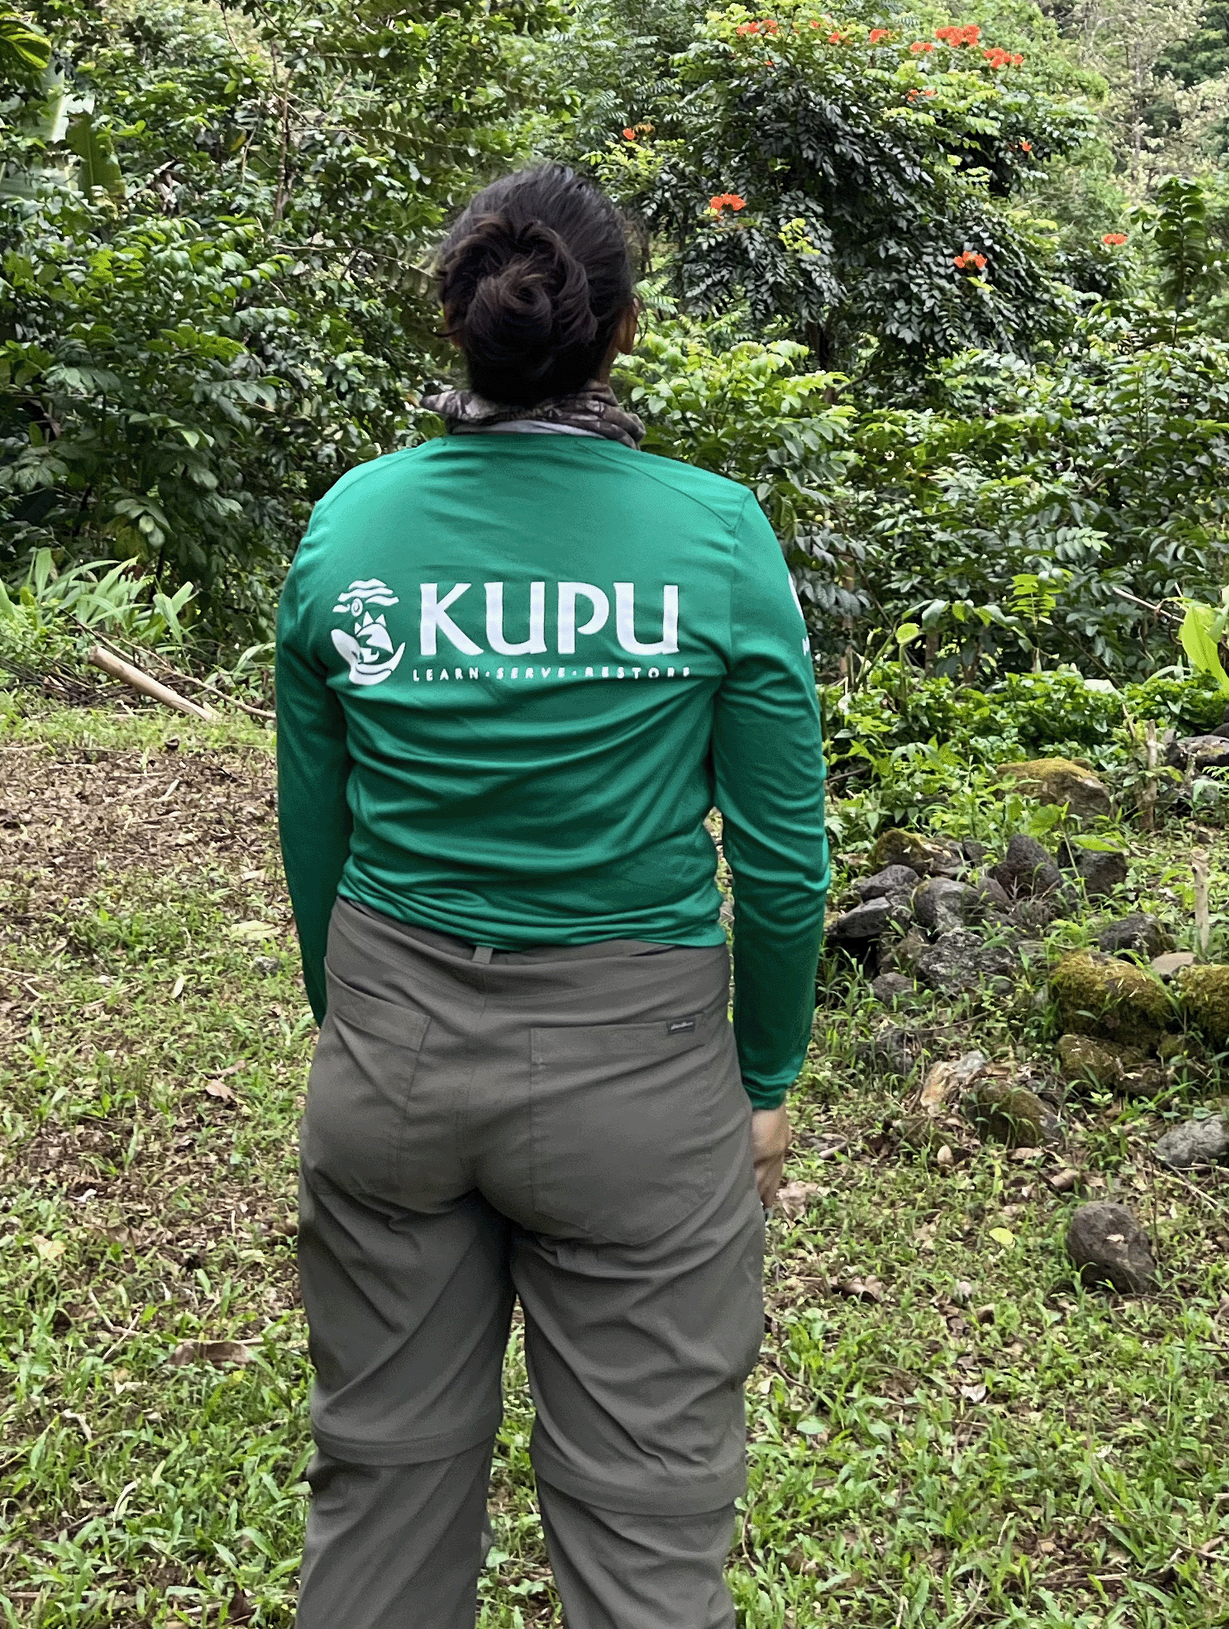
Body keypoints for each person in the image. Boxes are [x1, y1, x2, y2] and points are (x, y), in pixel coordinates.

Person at [275, 162, 830, 1629]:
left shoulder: (354, 529)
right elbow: (781, 858)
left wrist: (369, 1023)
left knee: (379, 1490)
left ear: (457, 322)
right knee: (647, 1529)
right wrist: (765, 1072)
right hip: (640, 1085)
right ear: (621, 329)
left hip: (390, 1054)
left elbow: (314, 831)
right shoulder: (714, 535)